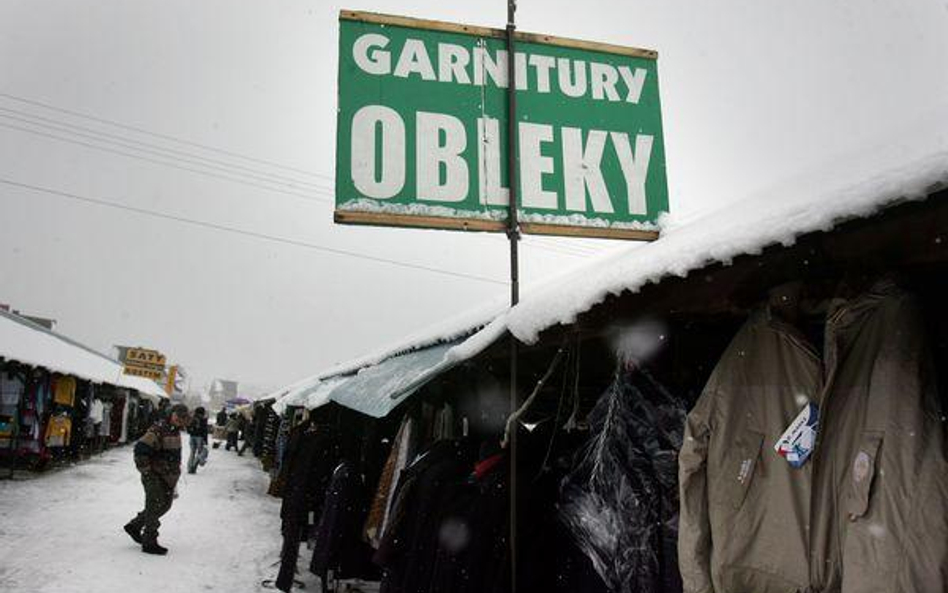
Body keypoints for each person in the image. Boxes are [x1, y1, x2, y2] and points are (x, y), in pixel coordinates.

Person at [123, 403, 190, 555]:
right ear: (171, 414)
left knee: (165, 505)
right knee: (154, 506)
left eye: (182, 418)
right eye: (177, 416)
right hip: (154, 475)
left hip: (168, 476)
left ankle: (134, 526)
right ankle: (149, 541)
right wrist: (147, 471)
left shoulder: (175, 430)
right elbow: (140, 449)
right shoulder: (158, 429)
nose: (179, 420)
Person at [186, 407, 209, 474]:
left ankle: (190, 468)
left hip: (192, 436)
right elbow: (205, 430)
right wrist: (205, 440)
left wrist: (191, 431)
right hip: (200, 437)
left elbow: (188, 427)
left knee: (192, 453)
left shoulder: (192, 418)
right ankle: (197, 461)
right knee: (201, 452)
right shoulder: (203, 419)